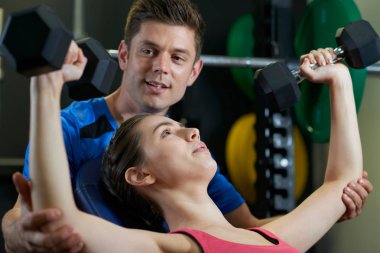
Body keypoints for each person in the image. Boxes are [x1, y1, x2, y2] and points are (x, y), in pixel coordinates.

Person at [1, 0, 372, 252]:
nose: (162, 67)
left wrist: (337, 77)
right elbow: (40, 215)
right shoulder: (70, 127)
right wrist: (47, 85)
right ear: (126, 55)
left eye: (177, 57)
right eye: (149, 51)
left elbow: (246, 228)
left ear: (194, 71)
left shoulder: (196, 160)